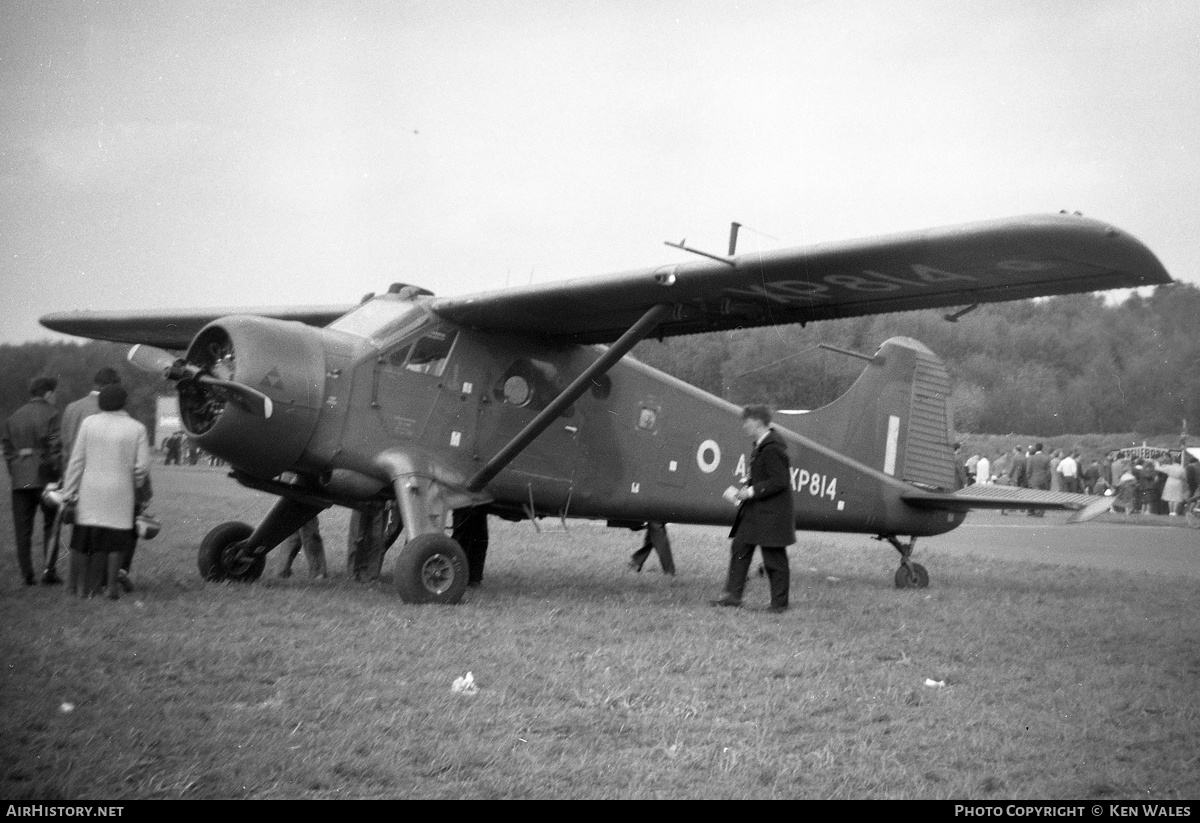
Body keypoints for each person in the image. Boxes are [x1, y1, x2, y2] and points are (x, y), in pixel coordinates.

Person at [60, 385, 150, 599]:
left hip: (90, 489)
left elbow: (77, 461)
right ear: (124, 402)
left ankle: (77, 587)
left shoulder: (89, 423)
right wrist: (136, 483)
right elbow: (142, 467)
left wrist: (69, 492)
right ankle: (110, 587)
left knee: (82, 540)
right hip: (121, 490)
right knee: (117, 540)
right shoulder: (137, 428)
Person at [712, 405, 795, 613]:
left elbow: (779, 481)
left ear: (758, 421)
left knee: (773, 559)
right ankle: (732, 595)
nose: (744, 425)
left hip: (770, 514)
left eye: (746, 421)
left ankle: (779, 605)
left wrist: (750, 491)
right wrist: (749, 482)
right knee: (740, 547)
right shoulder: (761, 445)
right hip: (757, 512)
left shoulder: (772, 448)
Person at [3, 377, 63, 585]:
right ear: (48, 394)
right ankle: (49, 571)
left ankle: (27, 574)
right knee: (51, 525)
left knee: (23, 529)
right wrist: (58, 476)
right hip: (45, 477)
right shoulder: (52, 414)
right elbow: (56, 449)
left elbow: (8, 452)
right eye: (54, 393)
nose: (55, 397)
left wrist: (16, 471)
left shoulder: (13, 417)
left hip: (20, 479)